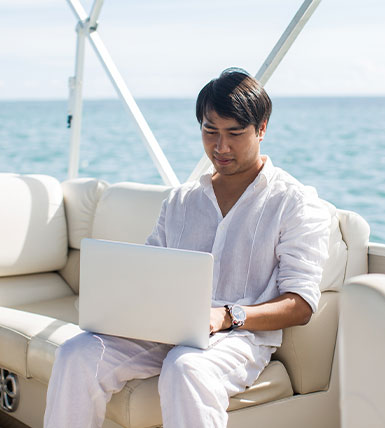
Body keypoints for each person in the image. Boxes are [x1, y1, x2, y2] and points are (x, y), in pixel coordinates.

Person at [43, 68, 331, 428]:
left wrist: (227, 315)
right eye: (210, 132)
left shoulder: (295, 203)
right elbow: (150, 270)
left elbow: (300, 304)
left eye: (234, 134)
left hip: (239, 339)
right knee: (77, 352)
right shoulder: (180, 200)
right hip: (163, 329)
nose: (220, 147)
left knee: (185, 366)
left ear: (262, 129)